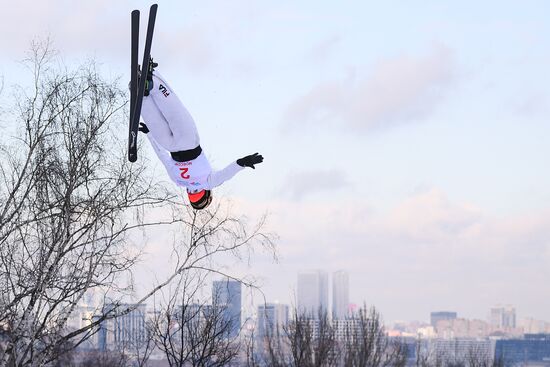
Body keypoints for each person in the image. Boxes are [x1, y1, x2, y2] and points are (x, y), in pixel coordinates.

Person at [138, 60, 263, 210]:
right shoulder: (178, 180)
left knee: (173, 109)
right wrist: (150, 134)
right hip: (170, 146)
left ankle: (151, 81)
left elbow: (226, 174)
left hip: (188, 141)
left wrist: (243, 162)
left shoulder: (208, 183)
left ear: (207, 194)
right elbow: (162, 156)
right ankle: (143, 93)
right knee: (158, 115)